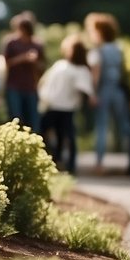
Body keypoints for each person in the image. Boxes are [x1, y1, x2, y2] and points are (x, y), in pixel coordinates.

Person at [38, 34, 96, 174]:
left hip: (56, 106)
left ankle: (60, 163)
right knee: (65, 135)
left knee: (53, 134)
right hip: (62, 107)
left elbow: (45, 83)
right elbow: (86, 89)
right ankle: (63, 163)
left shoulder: (64, 66)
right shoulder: (79, 69)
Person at [86, 13, 130, 173]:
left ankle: (99, 163)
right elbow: (123, 71)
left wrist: (92, 93)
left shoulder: (97, 51)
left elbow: (96, 74)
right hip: (118, 90)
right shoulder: (118, 49)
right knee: (125, 125)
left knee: (102, 127)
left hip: (103, 90)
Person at [3, 13, 44, 131]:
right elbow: (6, 63)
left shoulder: (37, 45)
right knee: (16, 117)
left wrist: (34, 62)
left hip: (31, 86)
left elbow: (42, 66)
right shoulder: (11, 43)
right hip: (14, 85)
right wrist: (22, 58)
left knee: (33, 118)